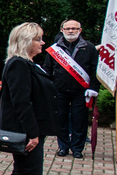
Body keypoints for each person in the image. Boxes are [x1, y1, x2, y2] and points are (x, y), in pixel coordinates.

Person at [0, 23, 58, 175]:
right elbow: (21, 102)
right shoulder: (19, 65)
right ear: (25, 41)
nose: (42, 43)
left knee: (21, 173)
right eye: (38, 39)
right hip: (26, 131)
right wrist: (32, 133)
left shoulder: (28, 63)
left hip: (31, 129)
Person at [42, 19, 98, 159]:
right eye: (67, 29)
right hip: (59, 90)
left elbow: (94, 70)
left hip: (81, 91)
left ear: (80, 30)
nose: (71, 31)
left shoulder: (89, 47)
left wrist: (93, 88)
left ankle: (77, 148)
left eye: (74, 28)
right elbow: (47, 69)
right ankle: (63, 147)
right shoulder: (55, 49)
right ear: (62, 30)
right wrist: (48, 87)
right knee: (61, 120)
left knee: (79, 121)